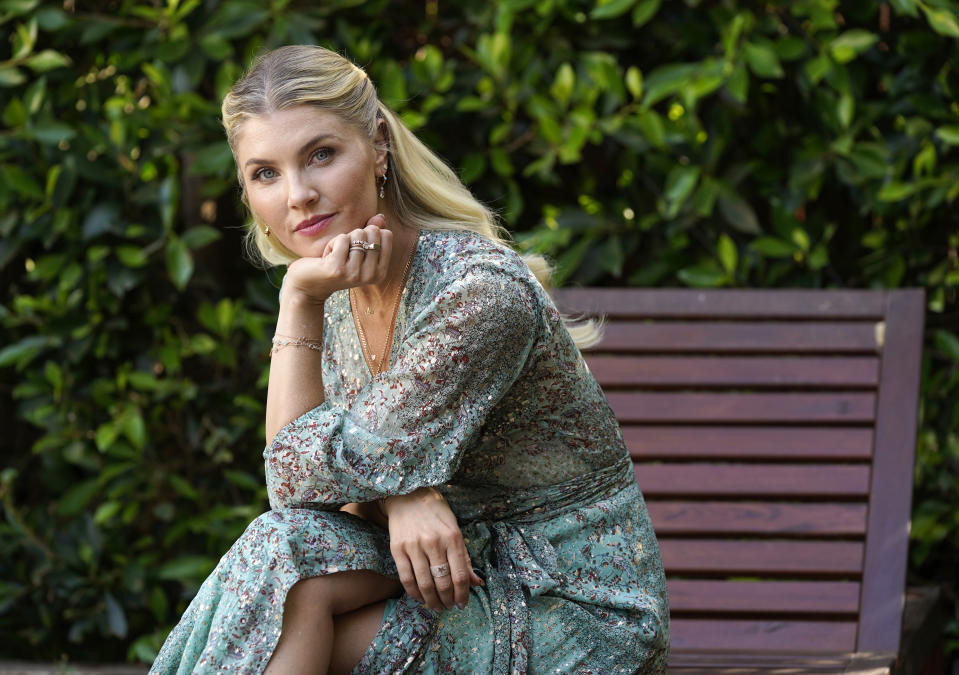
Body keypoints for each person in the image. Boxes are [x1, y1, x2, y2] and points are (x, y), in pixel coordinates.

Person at [150, 44, 668, 674]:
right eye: (265, 173)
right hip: (448, 574)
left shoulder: (477, 293)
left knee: (280, 622)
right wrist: (400, 494)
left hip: (570, 604)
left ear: (378, 148)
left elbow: (293, 477)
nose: (299, 195)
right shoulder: (336, 287)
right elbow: (306, 505)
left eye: (320, 155)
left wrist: (388, 480)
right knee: (281, 556)